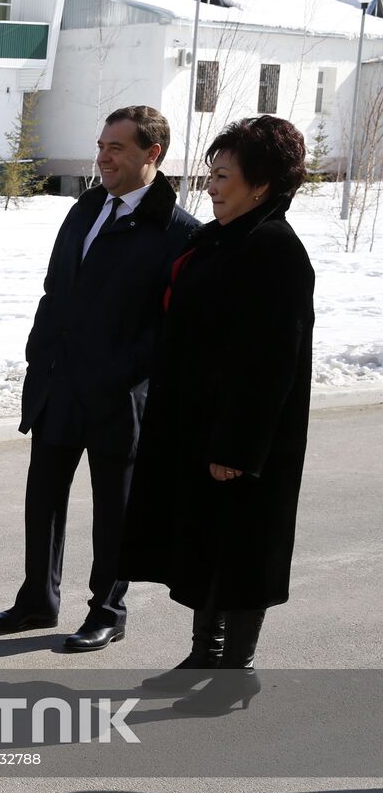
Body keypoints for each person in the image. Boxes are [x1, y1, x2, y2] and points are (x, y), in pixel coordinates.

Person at [0, 105, 198, 651]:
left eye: (116, 148)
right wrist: (41, 352)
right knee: (43, 498)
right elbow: (57, 289)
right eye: (101, 145)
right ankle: (37, 599)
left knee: (114, 510)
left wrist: (121, 373)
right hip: (59, 382)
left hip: (118, 396)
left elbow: (170, 328)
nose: (101, 157)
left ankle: (108, 608)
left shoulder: (177, 231)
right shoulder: (85, 207)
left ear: (153, 154)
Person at [121, 116, 313, 714]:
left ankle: (238, 668)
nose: (211, 185)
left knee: (242, 547)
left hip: (244, 437)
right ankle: (206, 651)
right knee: (202, 540)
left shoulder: (276, 251)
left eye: (223, 175)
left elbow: (272, 363)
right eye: (211, 172)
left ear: (260, 185)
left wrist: (237, 446)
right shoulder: (215, 239)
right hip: (197, 424)